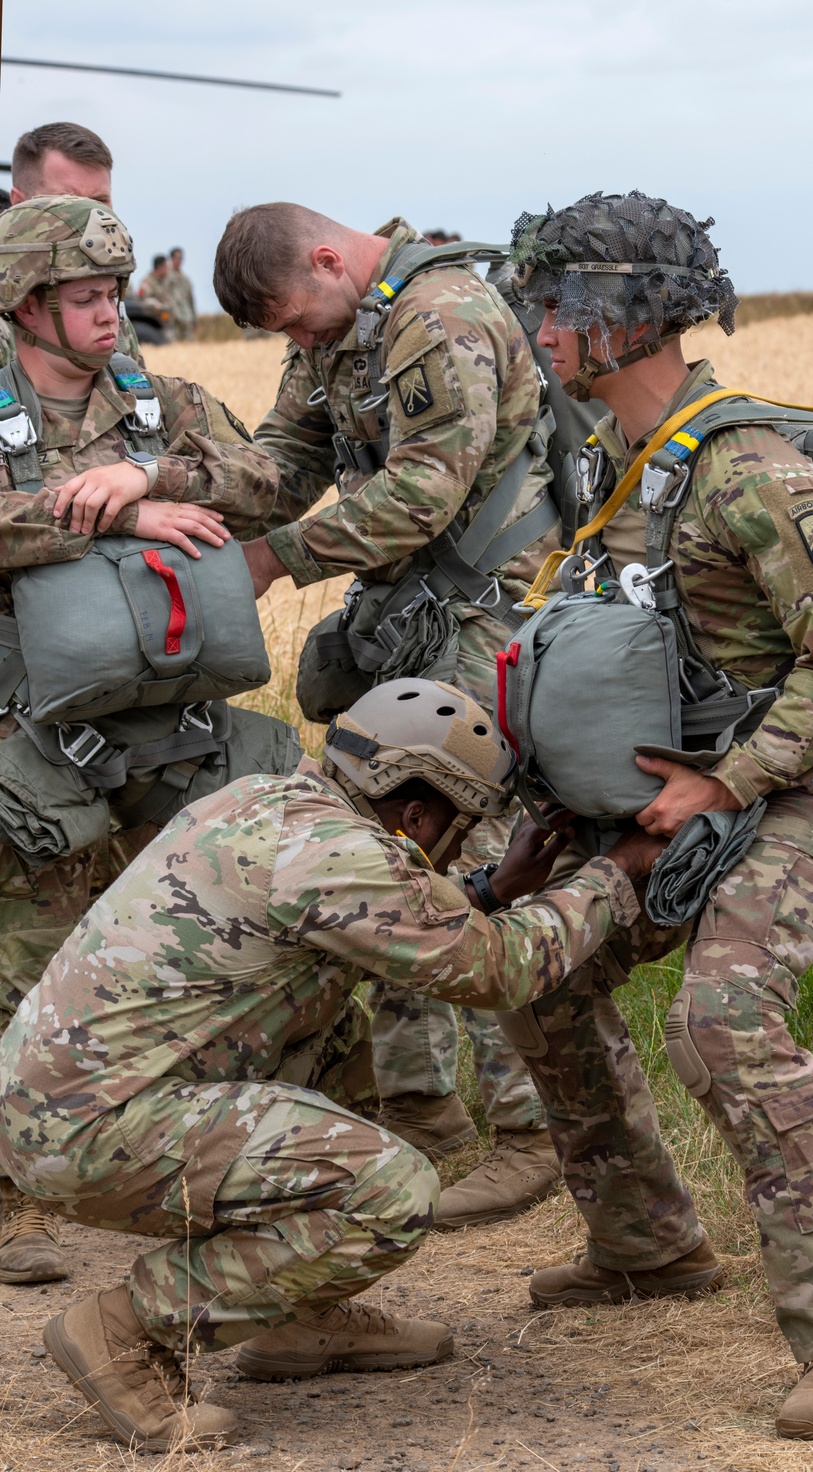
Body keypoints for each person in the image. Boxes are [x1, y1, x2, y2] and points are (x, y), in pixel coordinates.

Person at [495, 192, 813, 1440]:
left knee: (725, 1019)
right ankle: (646, 1243)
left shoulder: (755, 477)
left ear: (638, 319)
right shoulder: (601, 471)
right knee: (536, 968)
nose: (541, 326)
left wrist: (723, 783)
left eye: (563, 303)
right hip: (654, 791)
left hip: (795, 786)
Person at [0, 679, 662, 1453]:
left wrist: (488, 888)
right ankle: (124, 1327)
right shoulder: (336, 856)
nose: (460, 843)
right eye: (462, 826)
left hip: (72, 1104)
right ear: (415, 813)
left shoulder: (268, 802)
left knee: (341, 1026)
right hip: (90, 1135)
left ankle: (296, 1318)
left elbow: (393, 921)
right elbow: (501, 970)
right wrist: (616, 873)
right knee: (392, 1189)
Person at [213, 203, 563, 1227]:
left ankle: (530, 1126)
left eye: (301, 325)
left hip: (484, 618)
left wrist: (276, 556)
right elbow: (285, 456)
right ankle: (419, 1103)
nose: (301, 346)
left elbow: (422, 492)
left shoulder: (439, 314)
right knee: (381, 851)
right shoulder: (341, 325)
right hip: (411, 622)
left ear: (329, 260)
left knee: (479, 854)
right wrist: (169, 499)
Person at [0, 194, 294, 1288]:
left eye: (116, 293)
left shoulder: (158, 400)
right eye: (84, 298)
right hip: (28, 737)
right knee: (23, 964)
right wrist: (113, 515)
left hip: (166, 728)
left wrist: (157, 471)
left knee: (207, 953)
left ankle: (209, 1164)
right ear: (27, 305)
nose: (109, 314)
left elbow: (268, 482)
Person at [1, 122, 142, 364]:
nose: (87, 215)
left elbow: (135, 392)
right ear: (19, 203)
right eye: (67, 200)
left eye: (99, 202)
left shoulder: (106, 300)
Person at [166, 247, 197, 340]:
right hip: (173, 318)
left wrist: (194, 320)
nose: (179, 260)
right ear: (171, 259)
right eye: (177, 257)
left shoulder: (186, 279)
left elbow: (191, 299)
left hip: (187, 317)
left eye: (181, 258)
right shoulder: (166, 277)